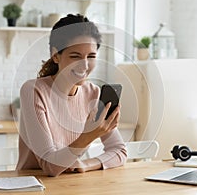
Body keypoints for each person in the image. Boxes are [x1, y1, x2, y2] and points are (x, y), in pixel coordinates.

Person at [16, 14, 127, 177]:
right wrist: (89, 136)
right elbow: (50, 166)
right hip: (34, 185)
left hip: (74, 184)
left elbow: (119, 151)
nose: (84, 65)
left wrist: (87, 164)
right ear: (55, 55)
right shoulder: (34, 91)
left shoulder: (93, 93)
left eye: (91, 56)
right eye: (75, 56)